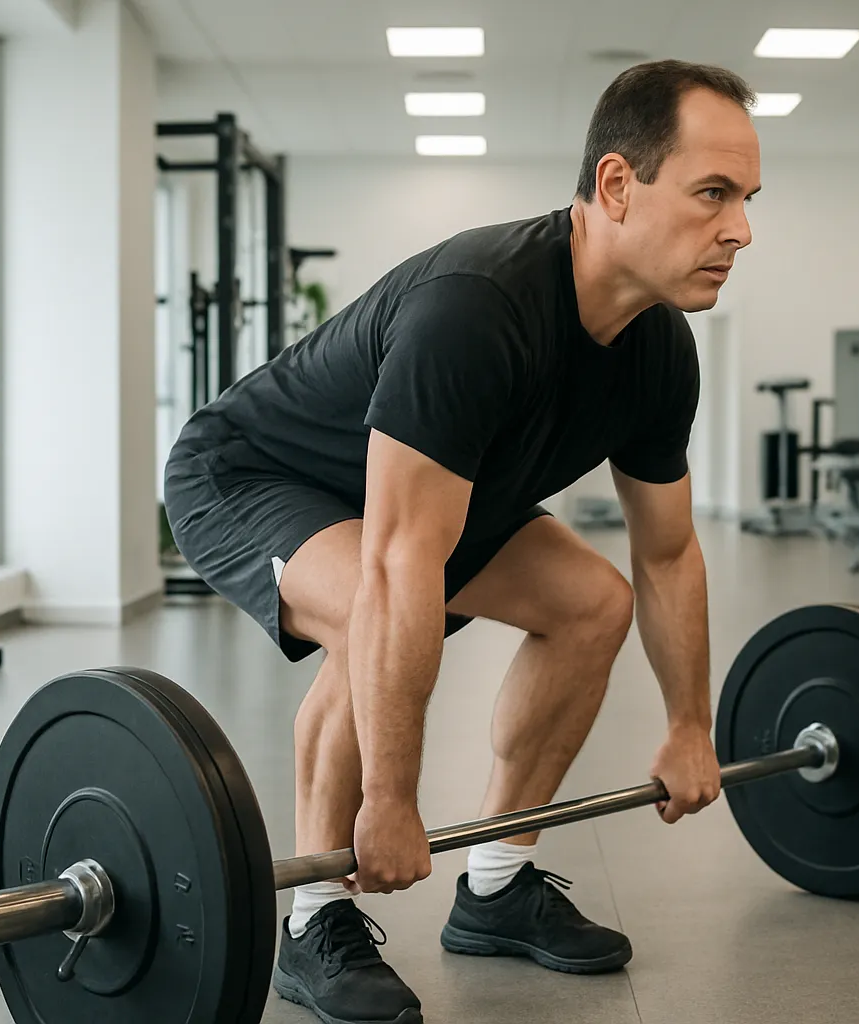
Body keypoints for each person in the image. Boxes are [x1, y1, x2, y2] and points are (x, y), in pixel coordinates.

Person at [164, 59, 760, 1024]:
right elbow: (402, 566)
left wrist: (692, 724)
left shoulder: (657, 352)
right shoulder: (477, 308)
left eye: (745, 199)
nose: (740, 229)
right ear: (617, 186)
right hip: (255, 475)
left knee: (591, 603)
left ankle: (494, 885)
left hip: (433, 500)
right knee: (373, 601)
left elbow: (665, 555)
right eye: (712, 194)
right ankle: (313, 918)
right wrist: (390, 800)